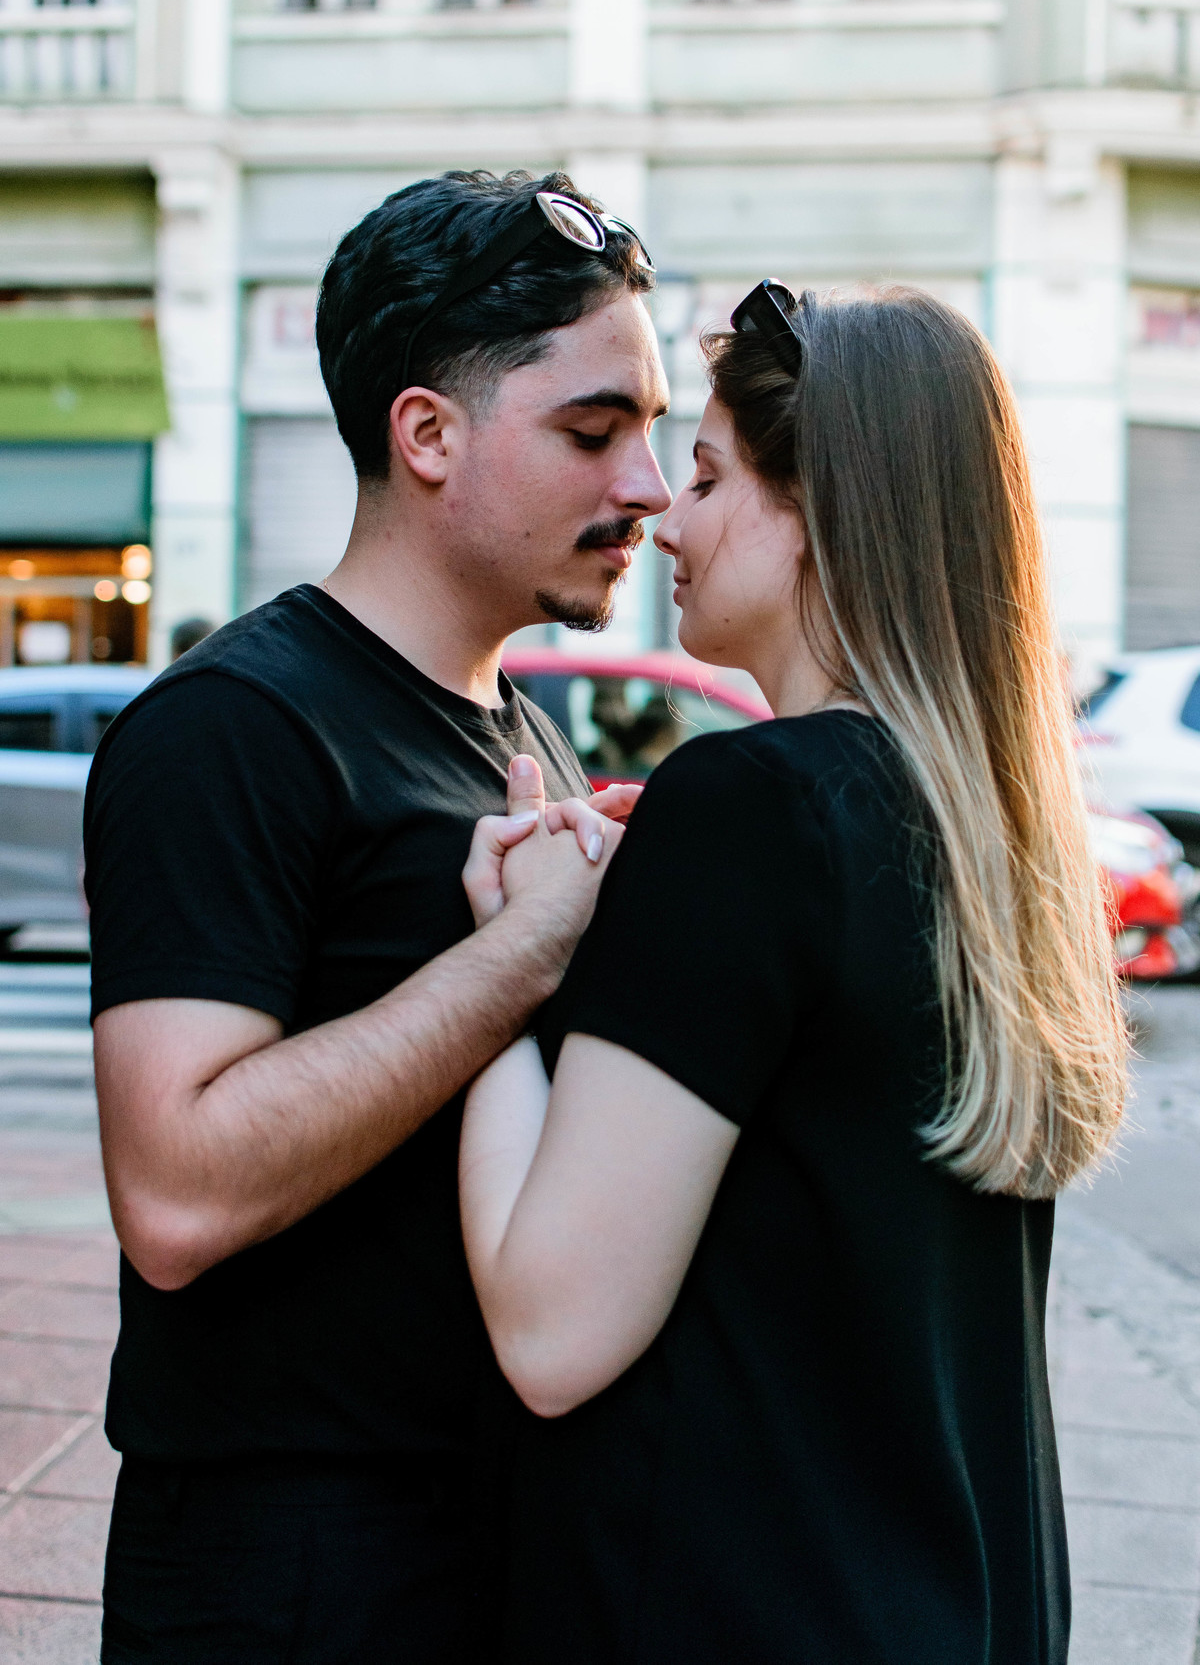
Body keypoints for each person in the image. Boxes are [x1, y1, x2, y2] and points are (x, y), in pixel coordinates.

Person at [458, 283, 1129, 1663]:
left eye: (708, 478)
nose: (667, 520)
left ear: (821, 511)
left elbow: (549, 1332)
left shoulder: (755, 807)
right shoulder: (996, 835)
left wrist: (506, 960)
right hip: (961, 1602)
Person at [85, 168, 670, 1663]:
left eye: (655, 434)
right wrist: (523, 951)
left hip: (486, 1531)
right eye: (594, 432)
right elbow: (177, 1195)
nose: (649, 489)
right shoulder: (232, 726)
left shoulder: (522, 731)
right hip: (292, 1568)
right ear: (427, 434)